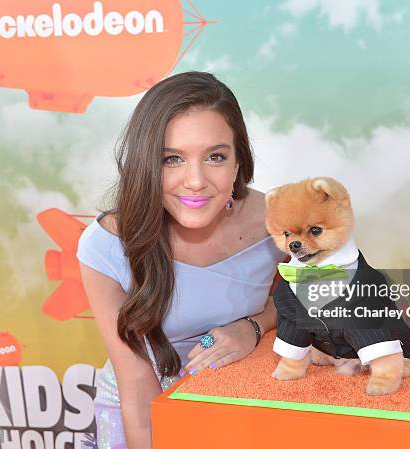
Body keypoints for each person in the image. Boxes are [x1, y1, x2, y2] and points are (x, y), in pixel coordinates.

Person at [76, 71, 286, 449]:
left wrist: (252, 327)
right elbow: (138, 386)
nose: (194, 181)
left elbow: (310, 306)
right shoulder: (105, 246)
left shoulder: (279, 221)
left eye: (215, 157)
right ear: (145, 164)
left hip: (239, 407)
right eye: (172, 159)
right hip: (145, 417)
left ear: (238, 162)